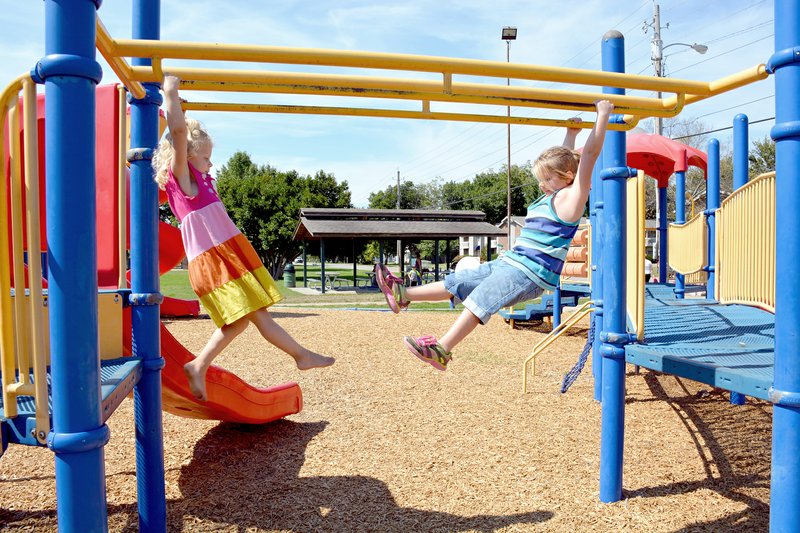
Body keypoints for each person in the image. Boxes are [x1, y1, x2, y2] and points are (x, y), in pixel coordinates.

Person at [374, 101, 614, 370]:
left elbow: (590, 155)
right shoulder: (552, 193)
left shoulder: (573, 197)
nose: (541, 184)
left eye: (547, 179)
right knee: (459, 282)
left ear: (568, 176)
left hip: (530, 273)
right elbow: (563, 160)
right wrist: (571, 134)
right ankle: (404, 294)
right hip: (510, 262)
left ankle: (442, 349)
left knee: (482, 297)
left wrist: (602, 115)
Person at [153, 75, 334, 401]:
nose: (210, 163)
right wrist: (171, 94)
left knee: (239, 323)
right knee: (259, 316)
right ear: (188, 156)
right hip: (215, 262)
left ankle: (199, 365)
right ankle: (301, 356)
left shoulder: (203, 180)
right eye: (205, 158)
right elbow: (178, 133)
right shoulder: (184, 179)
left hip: (223, 257)